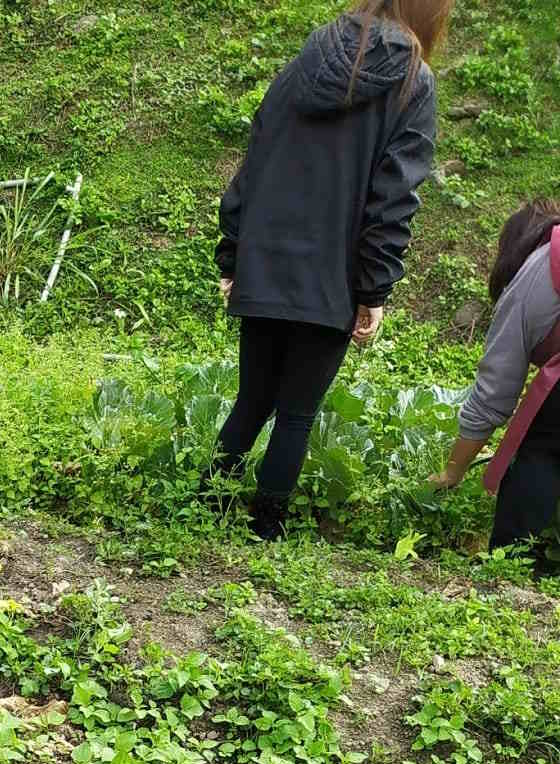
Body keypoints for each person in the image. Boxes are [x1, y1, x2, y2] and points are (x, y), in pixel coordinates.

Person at [209, 0, 446, 538]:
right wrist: (373, 290)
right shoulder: (413, 80)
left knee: (253, 398)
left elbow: (258, 153)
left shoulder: (311, 54)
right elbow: (393, 199)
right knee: (295, 413)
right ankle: (264, 529)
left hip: (266, 260)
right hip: (330, 276)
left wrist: (235, 254)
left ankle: (201, 505)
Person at [429, 199, 560, 559]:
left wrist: (453, 471)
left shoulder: (540, 269)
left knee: (541, 450)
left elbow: (496, 389)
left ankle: (511, 564)